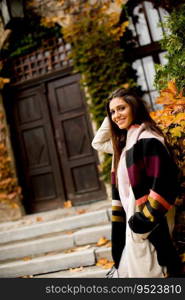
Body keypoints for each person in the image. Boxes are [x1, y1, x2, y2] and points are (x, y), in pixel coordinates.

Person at [92, 88, 181, 278]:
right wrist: (114, 113)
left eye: (122, 108)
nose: (116, 115)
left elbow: (165, 184)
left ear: (134, 106)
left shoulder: (147, 140)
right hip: (135, 227)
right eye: (113, 112)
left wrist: (143, 222)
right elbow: (97, 142)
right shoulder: (124, 145)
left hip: (149, 226)